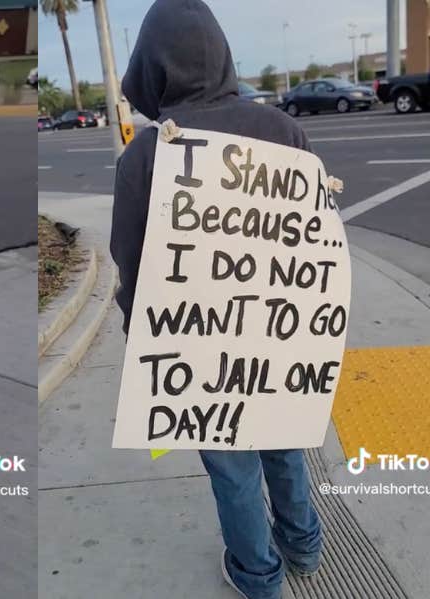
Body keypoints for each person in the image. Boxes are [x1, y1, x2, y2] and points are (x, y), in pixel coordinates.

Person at [110, 2, 324, 599]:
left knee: (232, 465)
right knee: (284, 440)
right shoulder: (285, 128)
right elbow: (317, 237)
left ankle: (258, 576)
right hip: (281, 329)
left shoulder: (147, 154)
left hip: (195, 339)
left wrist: (142, 338)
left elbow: (130, 259)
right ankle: (303, 545)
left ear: (150, 67)